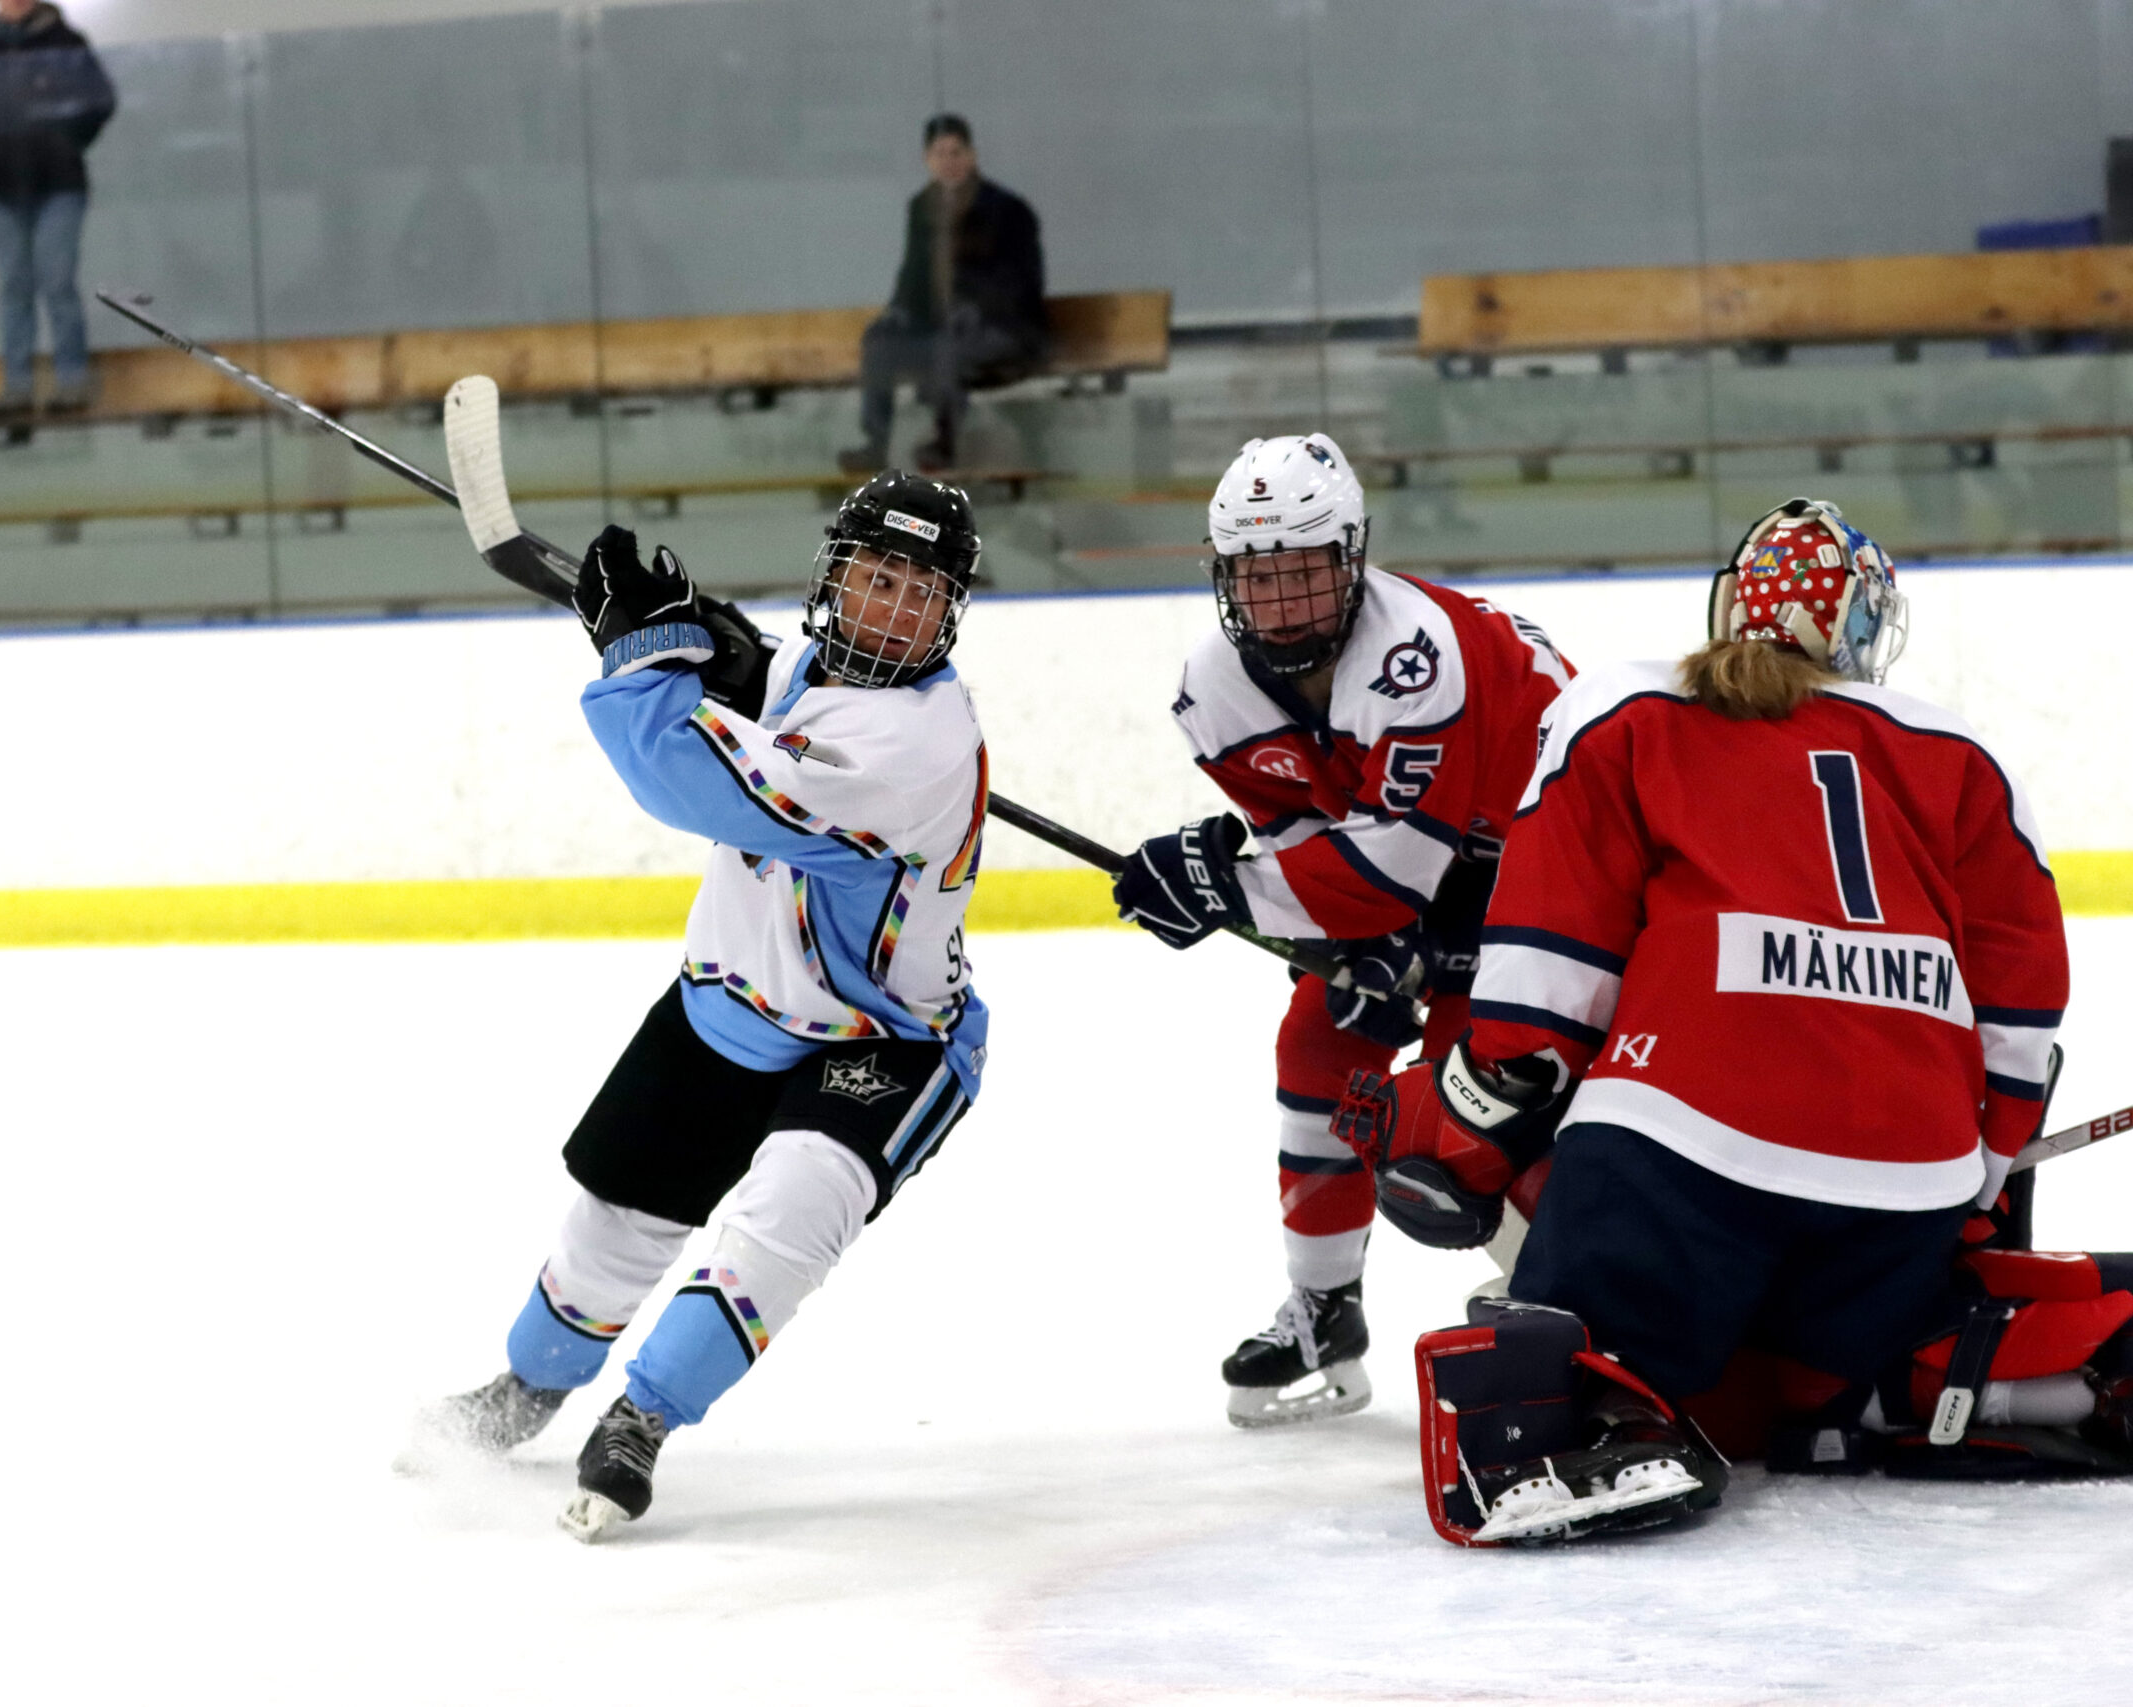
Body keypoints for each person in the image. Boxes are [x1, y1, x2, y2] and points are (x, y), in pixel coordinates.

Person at [1338, 498, 2133, 1547]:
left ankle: (1605, 1406)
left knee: (1600, 1315)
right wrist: (1978, 1171)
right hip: (1902, 1186)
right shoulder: (1955, 745)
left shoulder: (1628, 707)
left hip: (1681, 1157)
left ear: (1731, 605)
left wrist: (1469, 1112)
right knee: (1832, 1358)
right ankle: (1940, 1374)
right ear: (1859, 630)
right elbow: (2021, 1007)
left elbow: (1552, 969)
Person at [410, 472, 995, 1543]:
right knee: (615, 1216)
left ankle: (643, 1415)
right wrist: (714, 640)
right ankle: (530, 1385)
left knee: (785, 1215)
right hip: (732, 998)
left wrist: (645, 650)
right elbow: (777, 694)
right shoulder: (815, 669)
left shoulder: (917, 746)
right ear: (834, 578)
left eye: (920, 591)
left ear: (948, 612)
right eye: (875, 578)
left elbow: (689, 776)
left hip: (885, 1042)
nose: (893, 609)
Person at [1108, 433, 1572, 1427]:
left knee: (1469, 1105)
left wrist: (1227, 888)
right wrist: (1338, 946)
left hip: (1547, 858)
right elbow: (1317, 848)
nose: (1279, 602)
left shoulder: (1414, 658)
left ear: (1351, 557)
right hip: (1434, 861)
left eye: (1303, 573)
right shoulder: (1211, 690)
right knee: (1321, 1042)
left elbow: (1390, 868)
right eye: (1255, 575)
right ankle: (1325, 1309)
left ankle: (1583, 1300)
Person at [838, 115, 1046, 477]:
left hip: (1002, 330)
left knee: (948, 346)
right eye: (940, 153)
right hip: (940, 330)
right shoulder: (922, 207)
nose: (949, 161)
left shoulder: (1007, 210)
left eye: (956, 152)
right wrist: (900, 310)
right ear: (927, 160)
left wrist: (980, 308)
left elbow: (1025, 281)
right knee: (879, 342)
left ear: (972, 156)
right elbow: (913, 272)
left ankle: (946, 442)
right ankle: (875, 443)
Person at [0, 0, 116, 418]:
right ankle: (17, 385)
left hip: (58, 183)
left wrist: (65, 141)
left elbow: (99, 102)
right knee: (15, 285)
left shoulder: (66, 43)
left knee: (57, 282)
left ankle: (72, 380)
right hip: (2, 186)